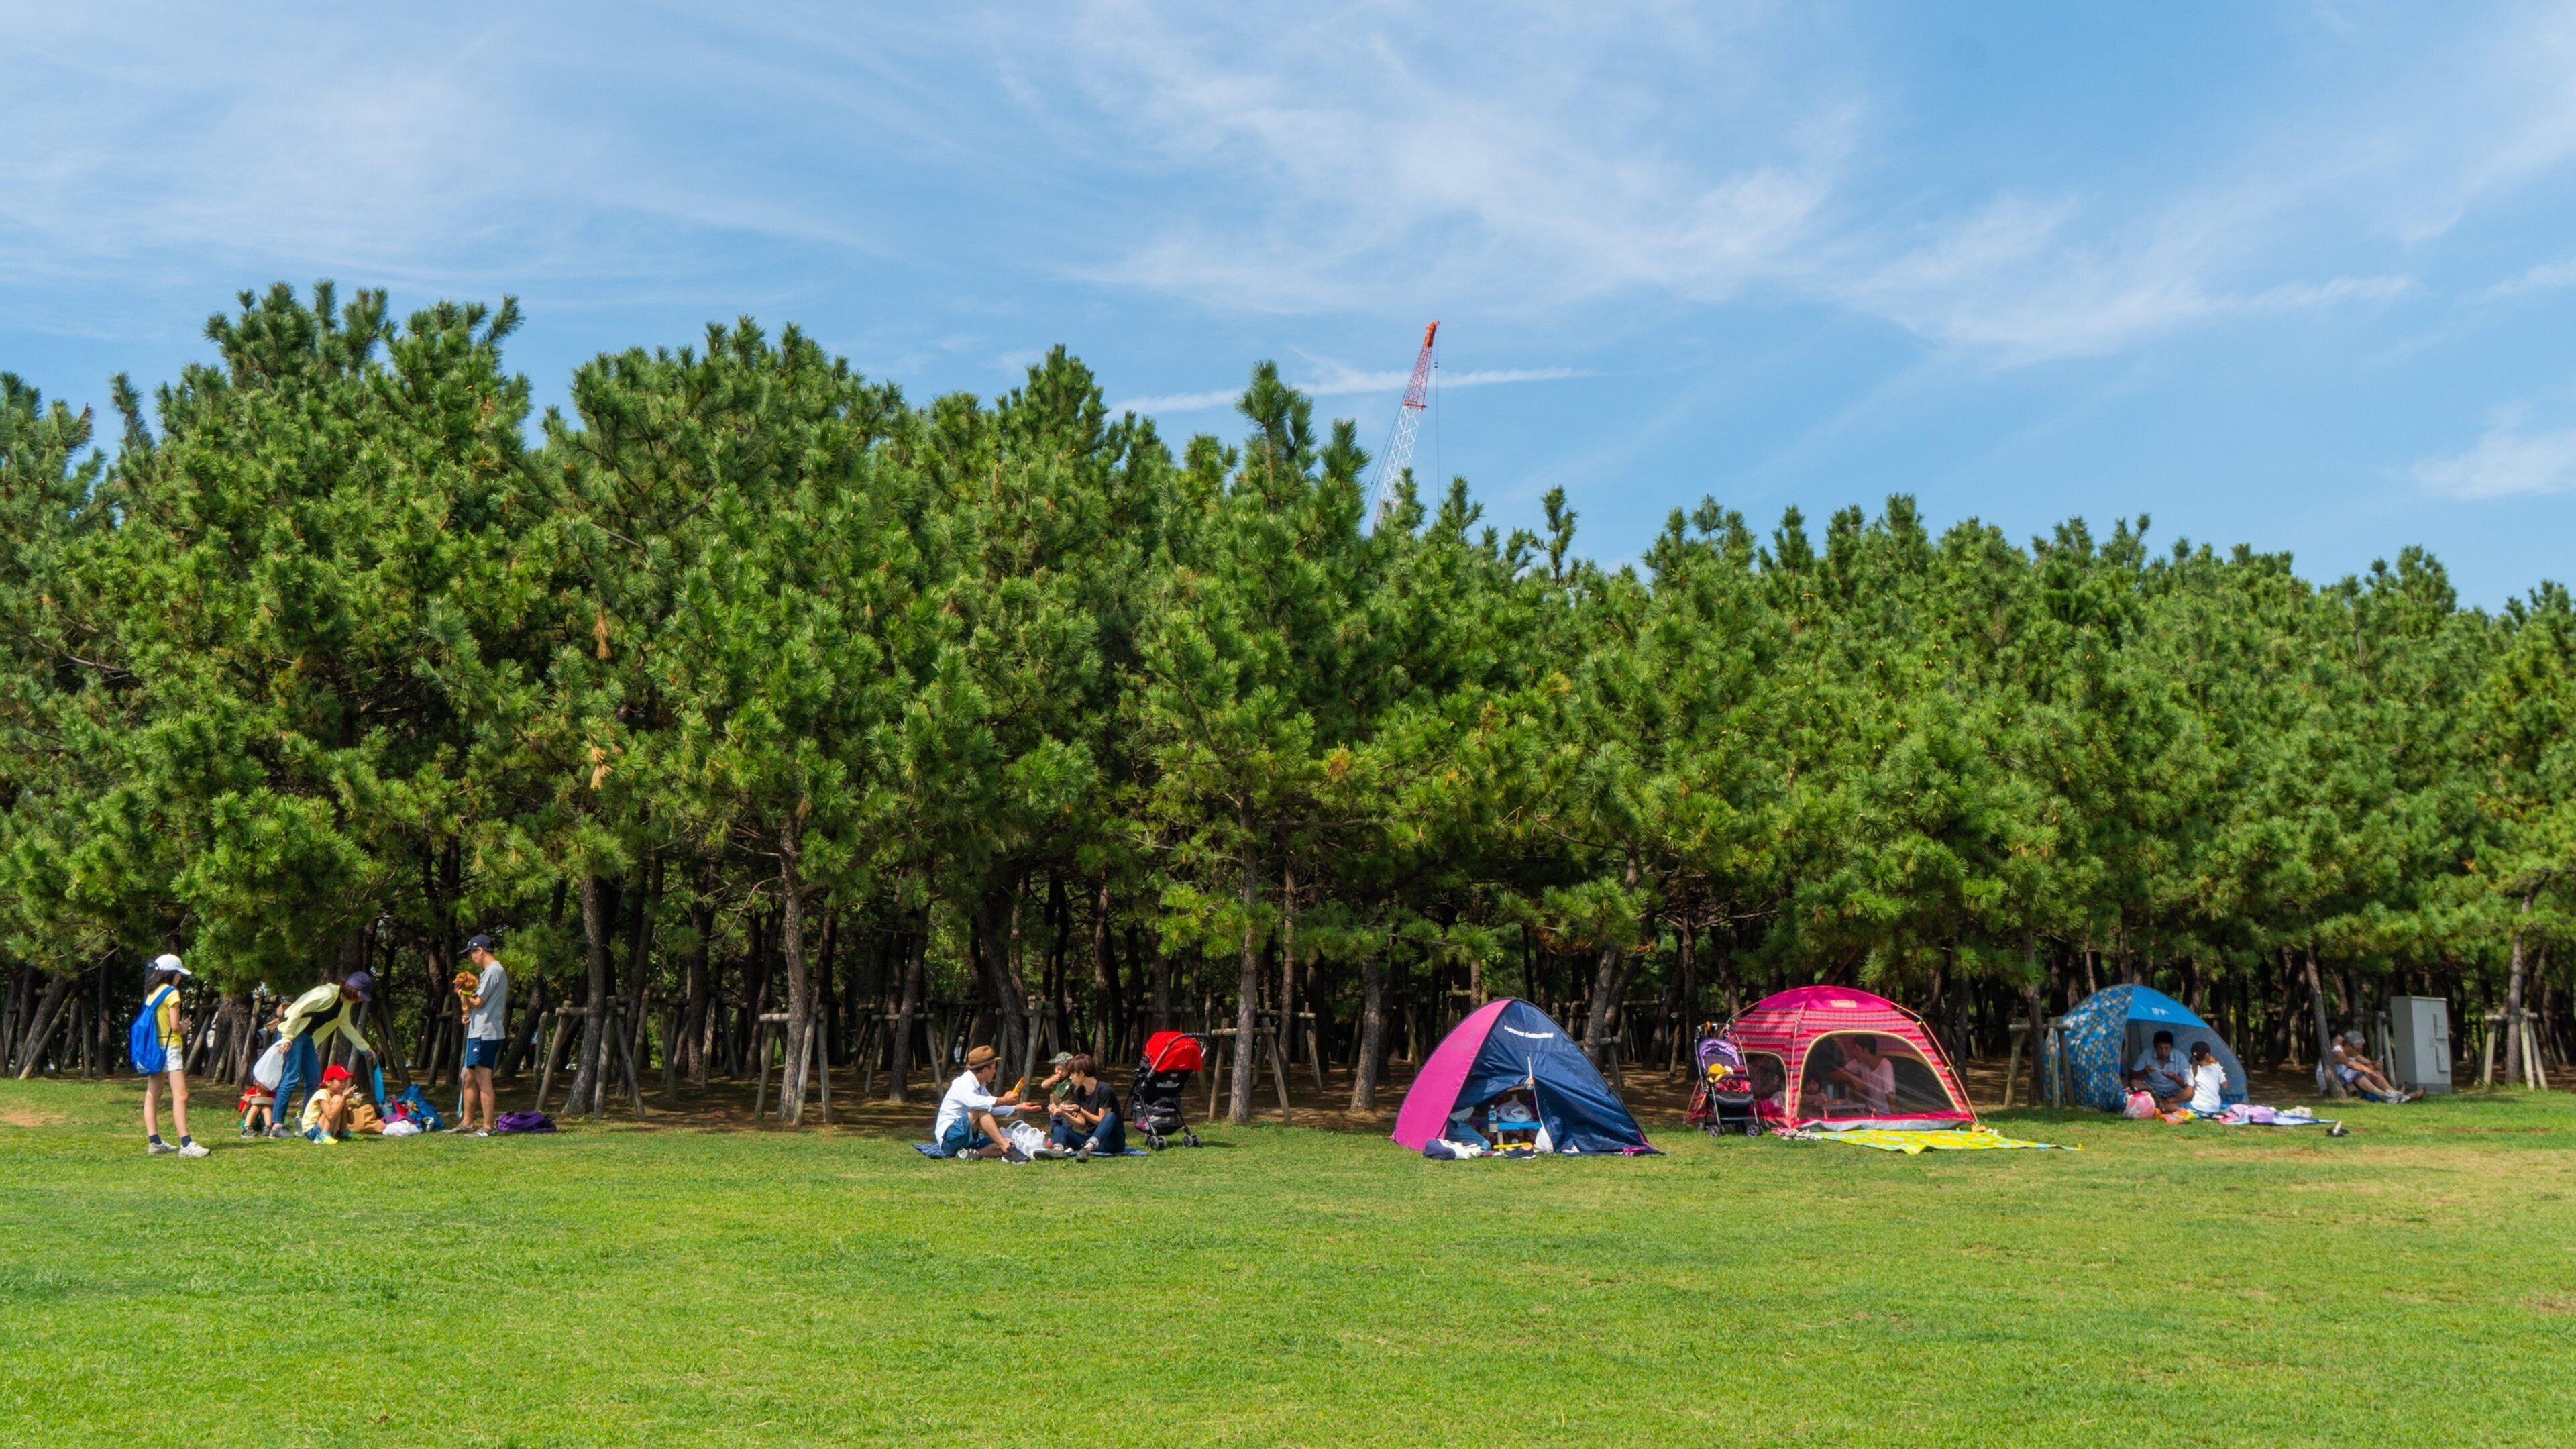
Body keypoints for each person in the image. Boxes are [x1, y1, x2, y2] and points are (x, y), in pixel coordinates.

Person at [268, 971, 376, 1140]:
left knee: (313, 1080)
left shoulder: (345, 1003)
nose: (361, 999)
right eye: (362, 995)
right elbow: (296, 1010)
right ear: (354, 989)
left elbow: (346, 1026)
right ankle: (277, 1125)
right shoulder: (327, 993)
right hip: (292, 1035)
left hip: (307, 1038)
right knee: (291, 1078)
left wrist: (365, 1048)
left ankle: (308, 1123)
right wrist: (288, 1038)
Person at [138, 953, 208, 1158]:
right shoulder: (172, 994)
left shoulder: (152, 992)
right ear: (171, 973)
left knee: (153, 1094)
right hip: (170, 1048)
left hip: (154, 1048)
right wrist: (185, 1027)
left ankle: (154, 1141)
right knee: (181, 1095)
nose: (180, 978)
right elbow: (175, 1026)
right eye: (179, 974)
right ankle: (186, 1144)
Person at [935, 1044, 1039, 1161]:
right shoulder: (963, 1082)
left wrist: (1018, 1107)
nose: (995, 1071)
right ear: (985, 1070)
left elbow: (991, 1107)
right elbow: (975, 1103)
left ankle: (971, 1154)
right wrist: (1002, 1100)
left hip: (965, 1136)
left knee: (1009, 1142)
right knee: (980, 1109)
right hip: (948, 1139)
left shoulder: (981, 1085)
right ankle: (1008, 1151)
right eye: (994, 1067)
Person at [456, 934, 509, 1136]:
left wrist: (463, 993)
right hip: (477, 1031)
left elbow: (479, 1001)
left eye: (472, 953)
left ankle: (488, 1128)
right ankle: (467, 1123)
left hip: (486, 1034)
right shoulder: (490, 972)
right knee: (469, 1078)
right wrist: (467, 1014)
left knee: (483, 1078)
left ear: (481, 950)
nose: (471, 957)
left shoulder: (493, 971)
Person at [1046, 1053, 1126, 1161]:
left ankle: (1087, 1149)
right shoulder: (1079, 1092)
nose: (1070, 1078)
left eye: (1072, 1074)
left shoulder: (1104, 1090)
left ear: (1082, 1073)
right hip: (1090, 1139)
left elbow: (1102, 1121)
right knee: (1059, 1129)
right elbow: (1082, 1125)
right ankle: (1057, 1150)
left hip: (1112, 1142)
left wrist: (1080, 1109)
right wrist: (1063, 1113)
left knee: (1110, 1116)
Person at [2332, 1031, 2418, 1102]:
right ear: (2348, 1046)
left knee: (2371, 1068)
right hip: (2336, 1083)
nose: (2358, 1052)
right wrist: (2372, 1073)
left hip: (2347, 1081)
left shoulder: (2351, 1052)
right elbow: (2353, 1065)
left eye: (2360, 1050)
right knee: (2356, 1071)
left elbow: (2368, 1062)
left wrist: (2375, 1064)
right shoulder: (2337, 1053)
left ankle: (2392, 1092)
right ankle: (2384, 1095)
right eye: (2357, 1050)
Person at [1825, 1035, 1896, 1112]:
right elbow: (1832, 1075)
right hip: (1868, 1112)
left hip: (1884, 1115)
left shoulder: (1885, 1066)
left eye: (1856, 1048)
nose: (1853, 1051)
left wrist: (1895, 1121)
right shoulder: (1860, 1062)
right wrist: (1850, 1078)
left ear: (1865, 1050)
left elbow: (1890, 1098)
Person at [2130, 1030, 2193, 1109]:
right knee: (2134, 1083)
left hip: (2174, 1092)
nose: (2163, 1052)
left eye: (2167, 1048)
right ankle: (2166, 1105)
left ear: (2172, 1048)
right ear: (2155, 1047)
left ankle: (2161, 1104)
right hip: (2153, 1091)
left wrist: (2175, 1078)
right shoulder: (2146, 1054)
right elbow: (2132, 1076)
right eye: (2160, 1048)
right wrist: (2144, 1072)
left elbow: (2186, 1085)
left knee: (2190, 1092)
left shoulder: (2180, 1057)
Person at [301, 1064, 358, 1142]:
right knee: (338, 1099)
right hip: (312, 1131)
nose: (344, 1084)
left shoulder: (339, 1096)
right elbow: (330, 1116)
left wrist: (350, 1108)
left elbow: (351, 1121)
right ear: (328, 1083)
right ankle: (323, 1136)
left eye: (345, 1081)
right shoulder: (322, 1094)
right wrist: (343, 1099)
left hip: (324, 1127)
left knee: (340, 1100)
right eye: (341, 1080)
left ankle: (343, 1133)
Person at [2186, 1042, 2229, 1116]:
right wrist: (2216, 1063)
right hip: (2215, 1108)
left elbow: (2189, 1092)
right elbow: (2225, 1086)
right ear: (2207, 1055)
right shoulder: (2216, 1067)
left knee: (2175, 1105)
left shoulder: (2192, 1069)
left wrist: (2174, 1100)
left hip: (2197, 1107)